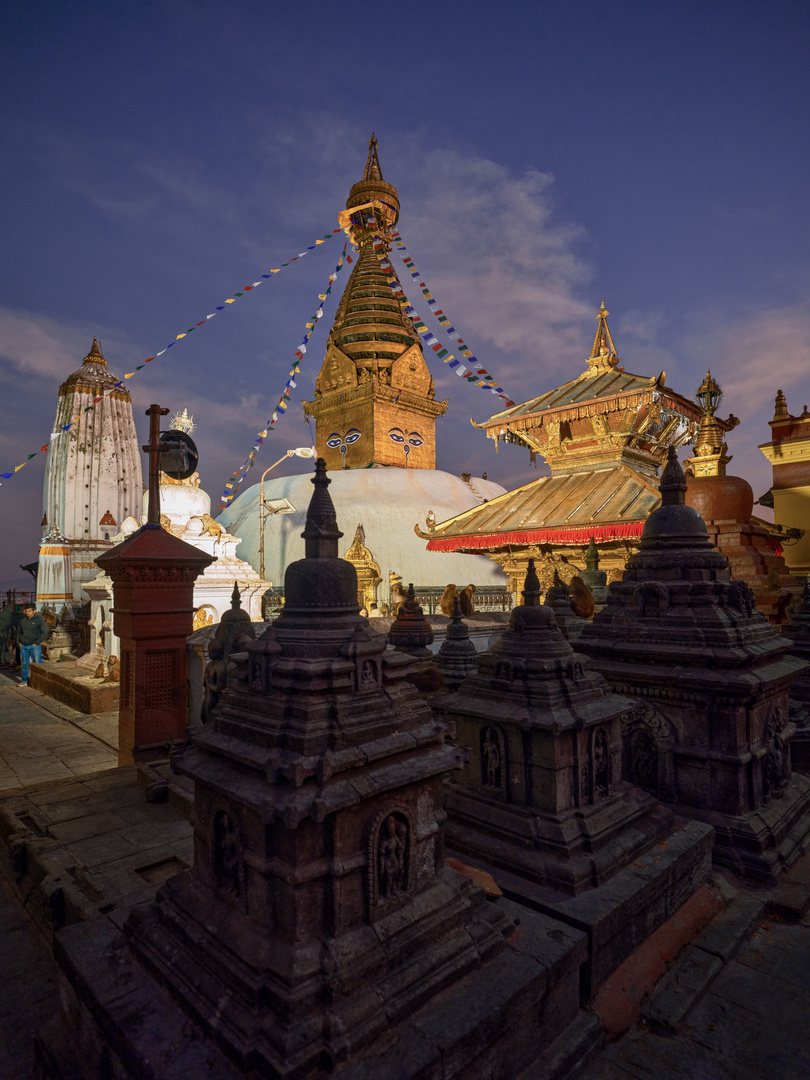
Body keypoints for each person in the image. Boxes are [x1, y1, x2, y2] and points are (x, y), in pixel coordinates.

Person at [17, 604, 48, 685]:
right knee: (24, 664)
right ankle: (24, 681)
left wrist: (37, 643)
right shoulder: (22, 621)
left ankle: (40, 681)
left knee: (38, 663)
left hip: (34, 645)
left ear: (34, 611)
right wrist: (19, 643)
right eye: (26, 611)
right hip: (24, 646)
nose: (28, 613)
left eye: (29, 611)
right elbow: (18, 632)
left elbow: (44, 632)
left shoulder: (39, 620)